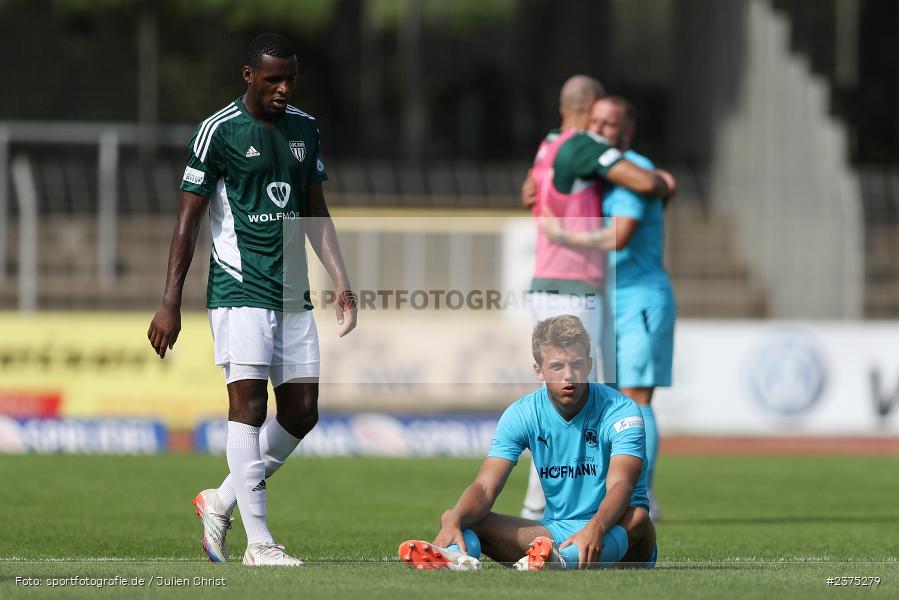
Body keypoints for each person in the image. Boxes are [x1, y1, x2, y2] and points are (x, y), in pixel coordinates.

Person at [147, 33, 357, 567]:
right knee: (249, 406)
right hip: (238, 289)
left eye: (289, 78)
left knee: (303, 412)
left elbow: (316, 211)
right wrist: (169, 301)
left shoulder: (305, 130)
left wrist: (341, 278)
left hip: (292, 291)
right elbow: (186, 222)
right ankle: (259, 543)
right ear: (249, 76)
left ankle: (219, 499)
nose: (283, 89)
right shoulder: (217, 131)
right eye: (272, 80)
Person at [520, 77, 675, 520]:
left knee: (594, 401)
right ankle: (558, 508)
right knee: (584, 404)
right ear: (588, 110)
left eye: (613, 123)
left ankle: (604, 498)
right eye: (599, 119)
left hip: (602, 291)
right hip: (576, 289)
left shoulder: (549, 144)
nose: (603, 129)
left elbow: (539, 187)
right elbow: (645, 183)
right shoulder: (583, 147)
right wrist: (664, 182)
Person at [398, 315, 656, 571]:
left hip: (617, 529)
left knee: (639, 518)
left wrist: (595, 528)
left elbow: (622, 484)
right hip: (554, 532)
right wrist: (454, 520)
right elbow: (485, 486)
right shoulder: (522, 413)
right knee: (459, 516)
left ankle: (560, 561)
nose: (569, 376)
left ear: (589, 364)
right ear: (538, 370)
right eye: (557, 367)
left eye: (577, 365)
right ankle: (457, 559)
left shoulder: (621, 411)